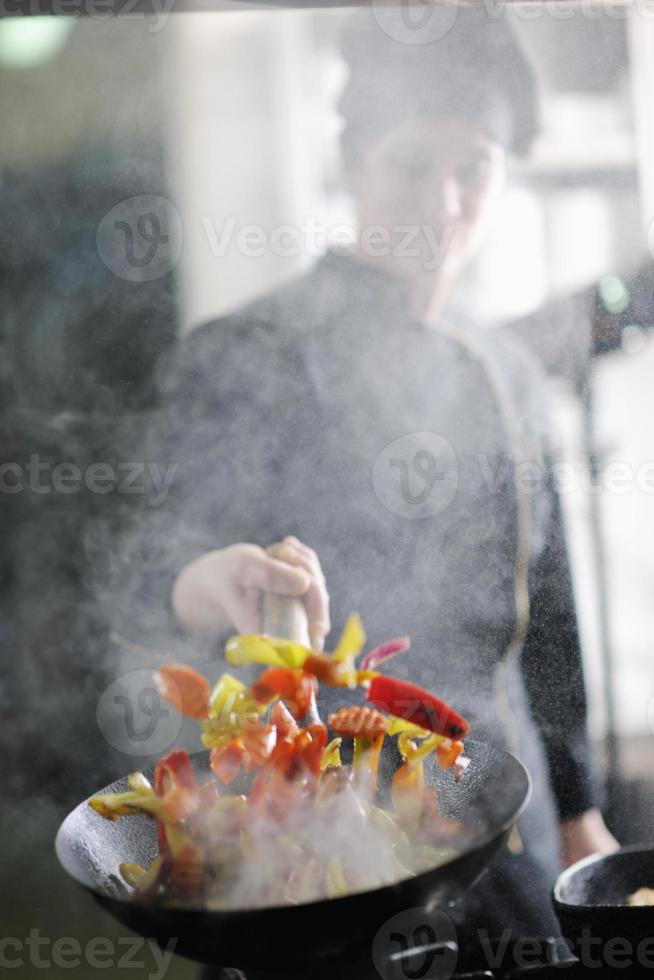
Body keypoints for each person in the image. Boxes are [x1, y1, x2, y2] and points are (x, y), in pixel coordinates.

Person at [135, 8, 618, 972]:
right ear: (355, 165)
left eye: (472, 169)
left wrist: (580, 811)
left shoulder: (510, 374)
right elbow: (153, 571)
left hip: (511, 835)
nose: (443, 203)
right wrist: (207, 580)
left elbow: (551, 618)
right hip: (329, 841)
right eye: (411, 165)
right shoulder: (248, 352)